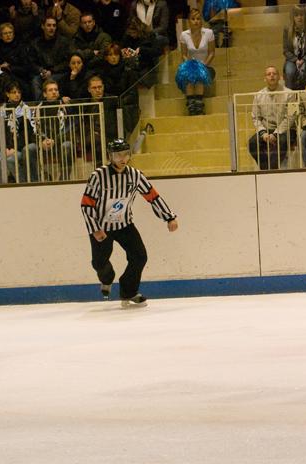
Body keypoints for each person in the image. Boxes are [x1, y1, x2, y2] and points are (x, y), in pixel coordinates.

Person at [80, 137, 178, 307]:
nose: (122, 159)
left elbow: (152, 196)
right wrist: (95, 229)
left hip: (125, 225)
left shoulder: (135, 175)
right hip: (101, 226)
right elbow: (86, 204)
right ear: (110, 156)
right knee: (99, 263)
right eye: (118, 155)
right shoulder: (98, 176)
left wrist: (169, 217)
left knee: (140, 257)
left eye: (126, 154)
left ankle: (129, 292)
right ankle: (107, 280)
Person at [249, 65, 294, 170]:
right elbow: (256, 117)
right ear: (265, 78)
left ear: (279, 77)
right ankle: (265, 169)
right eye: (269, 74)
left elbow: (291, 117)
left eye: (274, 73)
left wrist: (276, 133)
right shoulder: (258, 95)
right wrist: (263, 133)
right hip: (266, 129)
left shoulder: (290, 94)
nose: (272, 76)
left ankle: (272, 170)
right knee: (252, 143)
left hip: (285, 130)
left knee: (282, 142)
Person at [175, 8, 215, 116]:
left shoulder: (209, 33)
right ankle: (192, 107)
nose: (196, 21)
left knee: (198, 74)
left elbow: (212, 53)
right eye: (193, 19)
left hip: (206, 66)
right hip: (190, 65)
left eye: (198, 19)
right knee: (190, 74)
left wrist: (202, 66)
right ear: (189, 21)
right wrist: (188, 65)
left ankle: (198, 105)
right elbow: (183, 54)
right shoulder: (184, 35)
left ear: (201, 20)